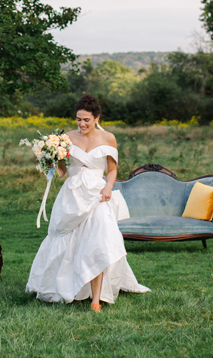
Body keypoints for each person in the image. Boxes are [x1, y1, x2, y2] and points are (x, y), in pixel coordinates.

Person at [26, 94, 149, 311]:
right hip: (72, 195)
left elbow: (112, 170)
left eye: (86, 120)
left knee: (98, 242)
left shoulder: (108, 138)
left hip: (97, 194)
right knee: (68, 241)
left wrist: (108, 187)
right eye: (78, 119)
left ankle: (95, 299)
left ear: (96, 118)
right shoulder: (65, 138)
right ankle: (67, 285)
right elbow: (62, 172)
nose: (81, 124)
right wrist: (50, 162)